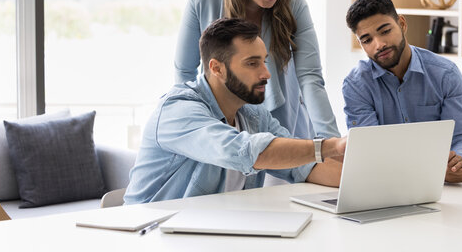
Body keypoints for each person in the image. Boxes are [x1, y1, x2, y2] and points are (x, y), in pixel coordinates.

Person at [124, 18, 345, 204]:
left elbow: (304, 166)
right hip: (151, 235)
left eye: (264, 62)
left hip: (214, 232)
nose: (266, 74)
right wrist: (332, 145)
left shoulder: (254, 114)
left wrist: (371, 184)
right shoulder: (178, 110)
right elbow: (245, 151)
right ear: (217, 68)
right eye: (252, 63)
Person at [174, 0, 339, 144]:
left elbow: (310, 77)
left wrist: (330, 140)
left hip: (280, 121)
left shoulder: (295, 4)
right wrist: (192, 124)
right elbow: (184, 71)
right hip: (218, 121)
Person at [342, 0, 462, 183]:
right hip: (387, 185)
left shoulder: (445, 74)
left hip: (444, 187)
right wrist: (431, 168)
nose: (379, 44)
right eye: (367, 40)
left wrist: (459, 163)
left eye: (385, 31)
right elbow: (370, 152)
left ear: (402, 24)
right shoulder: (356, 85)